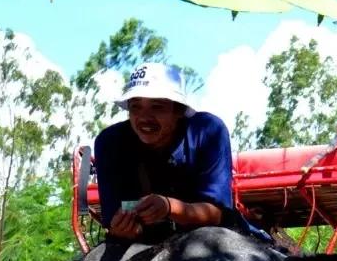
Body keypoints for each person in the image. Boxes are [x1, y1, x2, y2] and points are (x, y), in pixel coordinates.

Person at [93, 63, 266, 244]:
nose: (144, 118)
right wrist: (123, 228)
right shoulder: (109, 142)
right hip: (141, 243)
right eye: (136, 107)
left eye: (157, 106)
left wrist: (169, 207)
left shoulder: (207, 130)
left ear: (179, 111)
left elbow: (217, 213)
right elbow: (112, 220)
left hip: (209, 239)